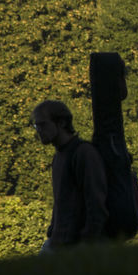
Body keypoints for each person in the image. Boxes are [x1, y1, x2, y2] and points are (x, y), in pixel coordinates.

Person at [32, 99, 108, 251]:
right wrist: (53, 231)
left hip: (77, 245)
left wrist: (87, 240)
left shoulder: (83, 153)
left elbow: (96, 201)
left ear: (61, 123)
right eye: (36, 126)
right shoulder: (59, 156)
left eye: (43, 125)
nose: (39, 130)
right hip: (58, 242)